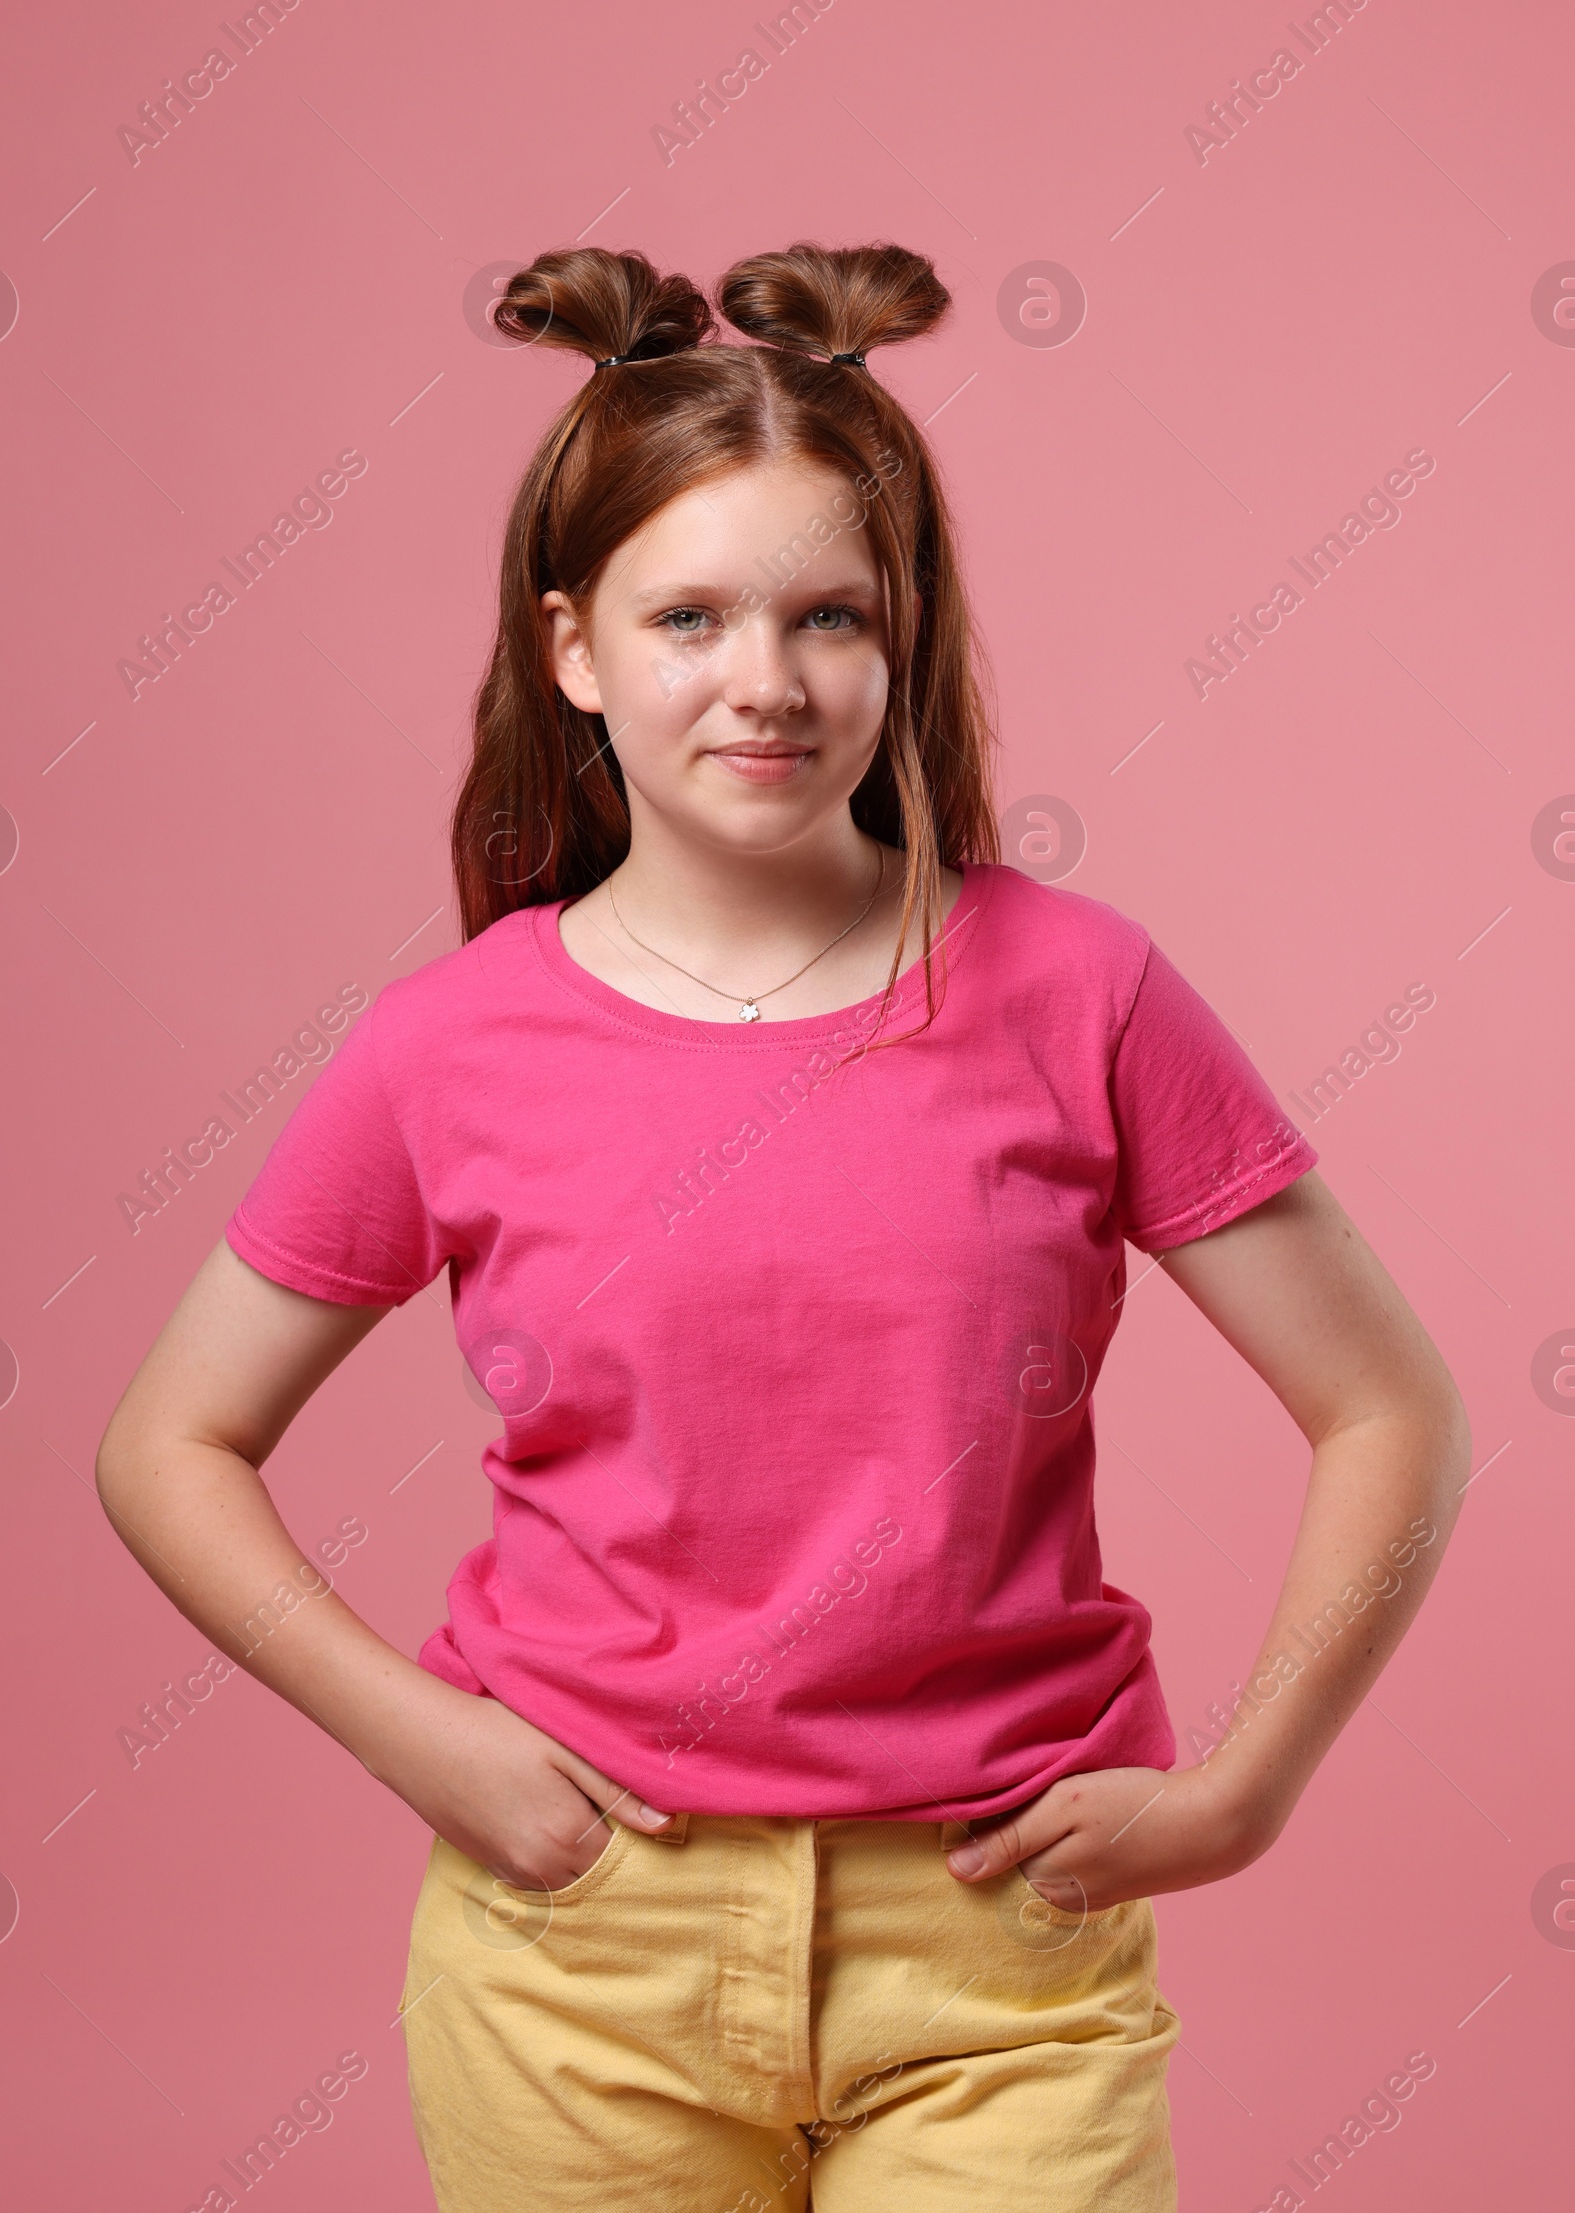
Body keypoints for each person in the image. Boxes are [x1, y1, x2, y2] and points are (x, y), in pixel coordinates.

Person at [95, 242, 1470, 2212]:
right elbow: (166, 1444)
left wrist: (1243, 1785)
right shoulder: (450, 1043)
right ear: (572, 649)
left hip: (999, 1955)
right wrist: (425, 1743)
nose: (766, 680)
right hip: (580, 1962)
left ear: (899, 637)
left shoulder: (1074, 992)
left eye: (831, 615)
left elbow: (1388, 1409)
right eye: (688, 617)